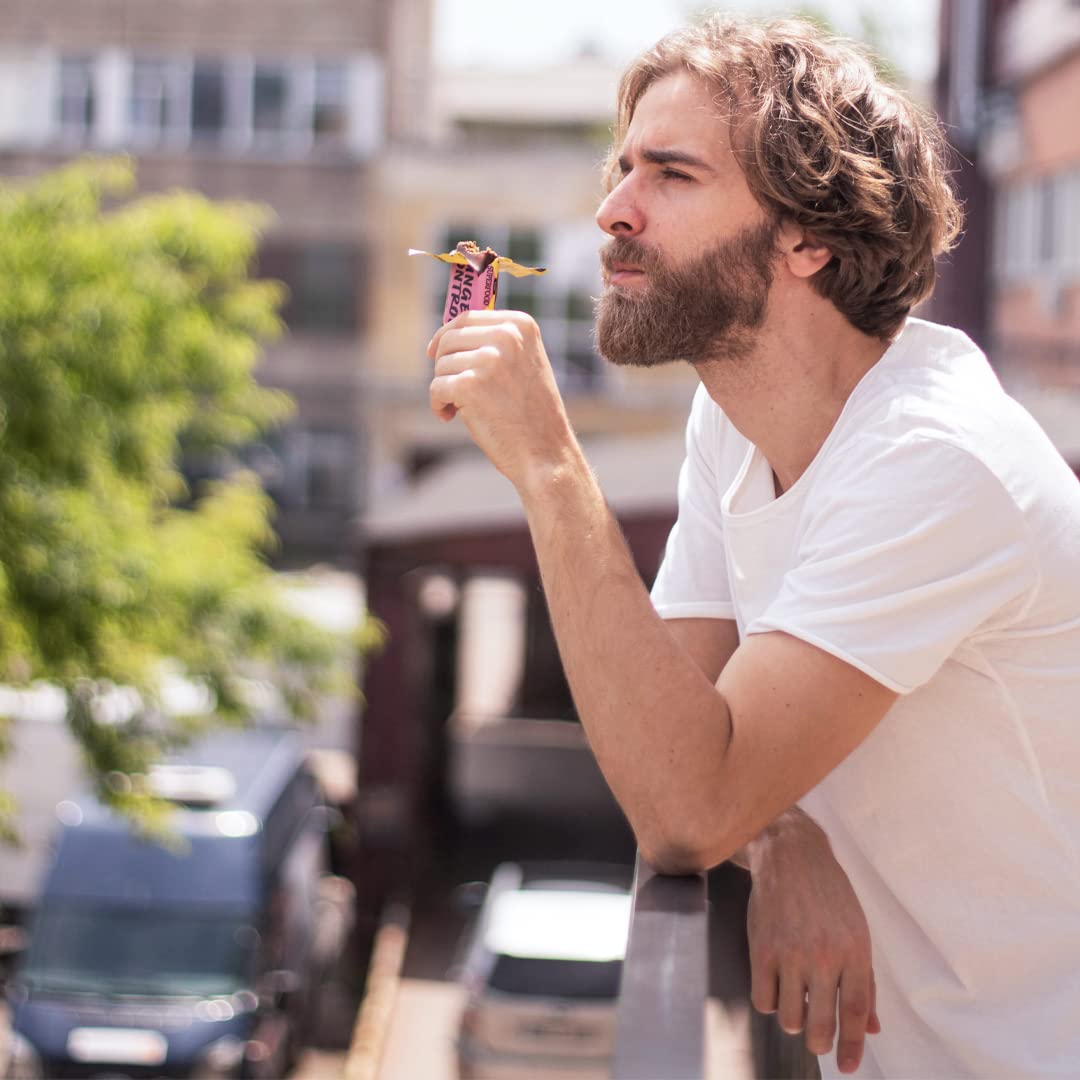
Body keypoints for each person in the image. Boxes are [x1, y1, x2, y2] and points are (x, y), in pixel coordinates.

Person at [426, 14, 1080, 1079]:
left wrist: (551, 469)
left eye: (671, 176)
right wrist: (779, 833)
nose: (612, 212)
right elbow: (674, 741)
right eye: (623, 167)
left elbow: (687, 810)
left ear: (805, 240)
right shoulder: (734, 417)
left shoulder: (935, 462)